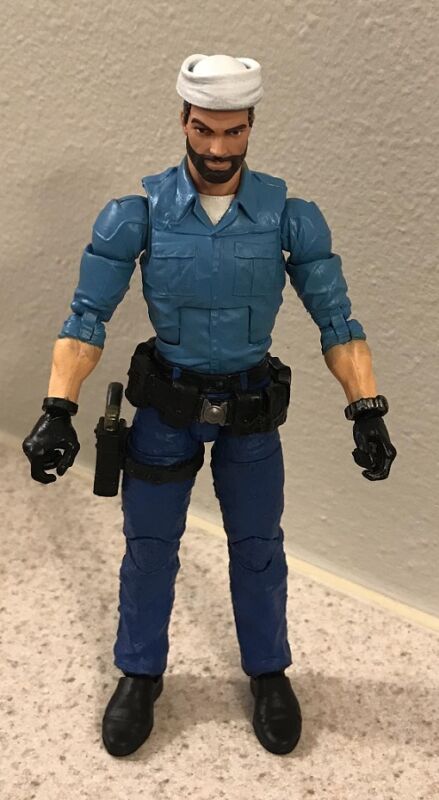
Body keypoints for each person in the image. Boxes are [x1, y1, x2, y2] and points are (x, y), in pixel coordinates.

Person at [22, 53, 397, 758]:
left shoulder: (289, 218)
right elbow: (85, 318)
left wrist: (366, 408)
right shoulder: (136, 216)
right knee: (149, 550)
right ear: (183, 122)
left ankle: (268, 672)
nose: (218, 148)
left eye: (233, 132)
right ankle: (139, 673)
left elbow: (337, 321)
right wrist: (59, 408)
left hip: (250, 411)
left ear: (251, 127)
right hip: (166, 410)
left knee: (259, 550)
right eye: (204, 130)